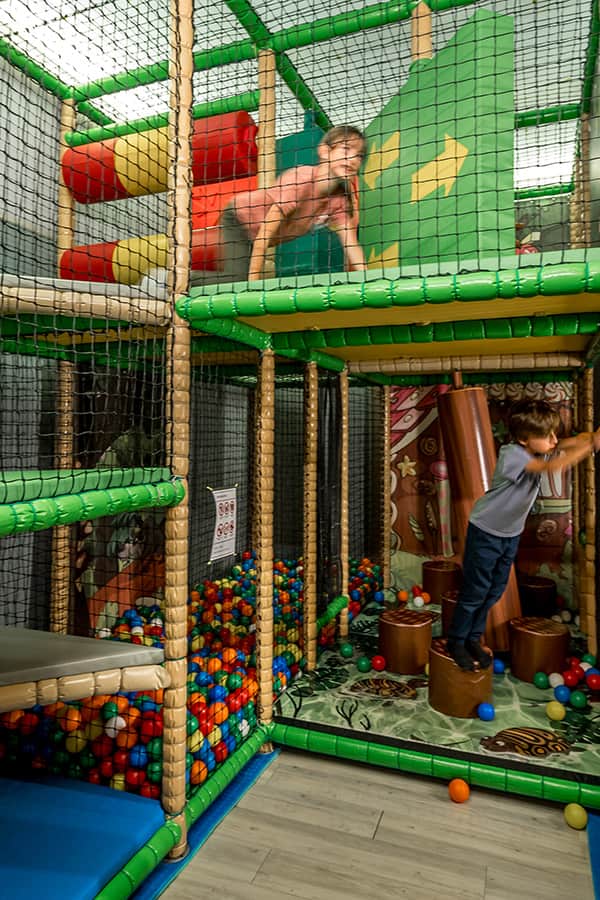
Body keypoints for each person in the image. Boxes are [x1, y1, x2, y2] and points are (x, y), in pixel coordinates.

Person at [447, 398, 600, 671]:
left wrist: (591, 438)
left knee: (494, 590)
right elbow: (554, 467)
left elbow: (567, 443)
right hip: (486, 531)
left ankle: (472, 638)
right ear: (524, 439)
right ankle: (456, 641)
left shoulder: (537, 448)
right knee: (475, 591)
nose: (554, 440)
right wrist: (590, 448)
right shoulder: (513, 454)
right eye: (547, 435)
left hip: (509, 535)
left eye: (553, 434)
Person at [215, 124, 368, 282]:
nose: (353, 159)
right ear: (325, 151)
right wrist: (252, 282)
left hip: (255, 235)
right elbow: (264, 235)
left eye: (359, 156)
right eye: (346, 149)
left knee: (236, 279)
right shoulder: (300, 180)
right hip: (239, 218)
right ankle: (195, 281)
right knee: (236, 279)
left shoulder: (338, 200)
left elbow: (351, 243)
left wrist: (367, 280)